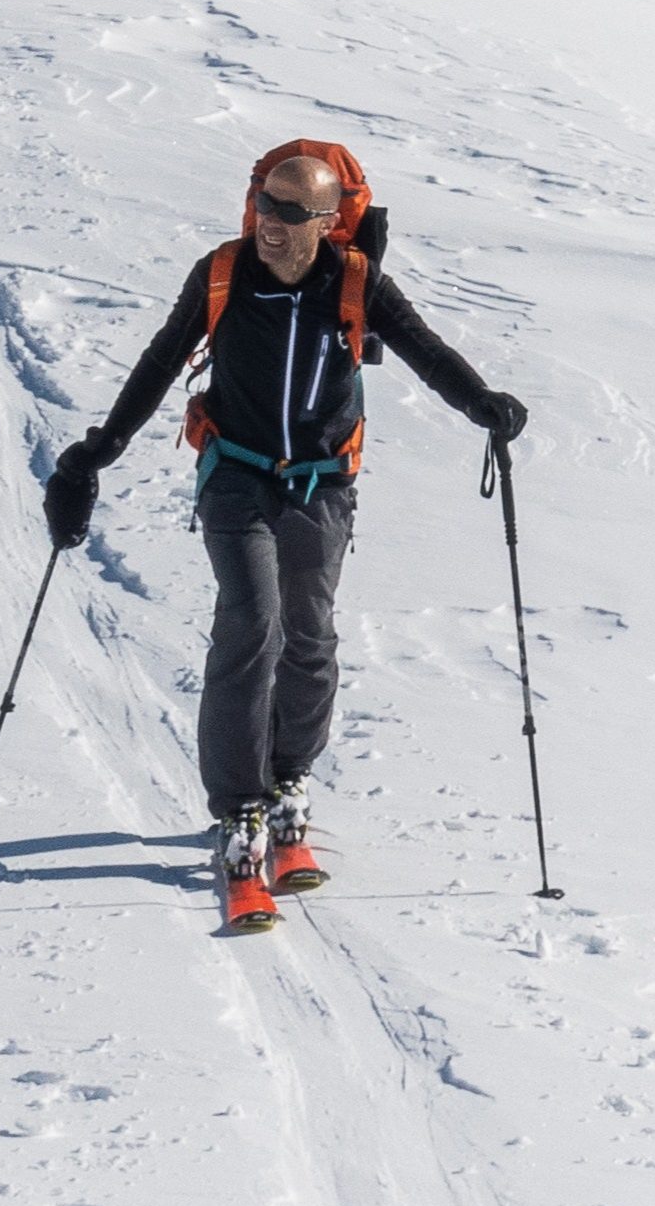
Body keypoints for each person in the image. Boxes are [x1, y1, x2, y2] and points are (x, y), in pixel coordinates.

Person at [40, 138, 531, 930]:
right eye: (264, 202)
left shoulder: (357, 284)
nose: (270, 222)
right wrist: (94, 457)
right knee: (251, 622)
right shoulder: (222, 273)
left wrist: (483, 405)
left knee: (311, 633)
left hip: (322, 484)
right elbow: (161, 363)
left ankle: (288, 782)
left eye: (291, 211)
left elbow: (426, 353)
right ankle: (239, 816)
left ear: (329, 220)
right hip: (235, 474)